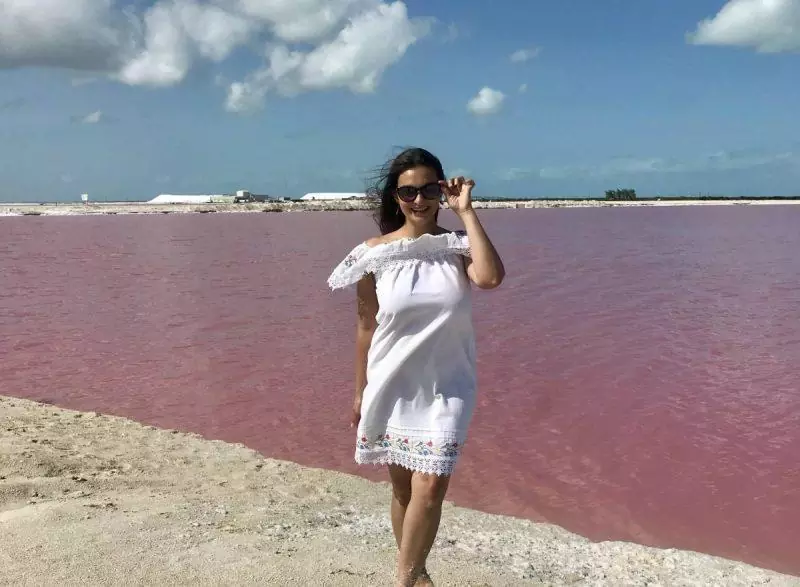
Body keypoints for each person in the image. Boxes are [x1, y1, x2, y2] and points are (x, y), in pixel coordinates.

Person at [327, 147, 505, 587]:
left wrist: (467, 213)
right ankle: (415, 571)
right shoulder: (371, 255)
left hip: (449, 386)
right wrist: (359, 391)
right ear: (395, 196)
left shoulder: (458, 246)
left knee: (431, 486)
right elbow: (366, 327)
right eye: (409, 191)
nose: (419, 199)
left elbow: (490, 278)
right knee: (404, 490)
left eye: (428, 189)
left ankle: (407, 578)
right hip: (393, 383)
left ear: (442, 190)